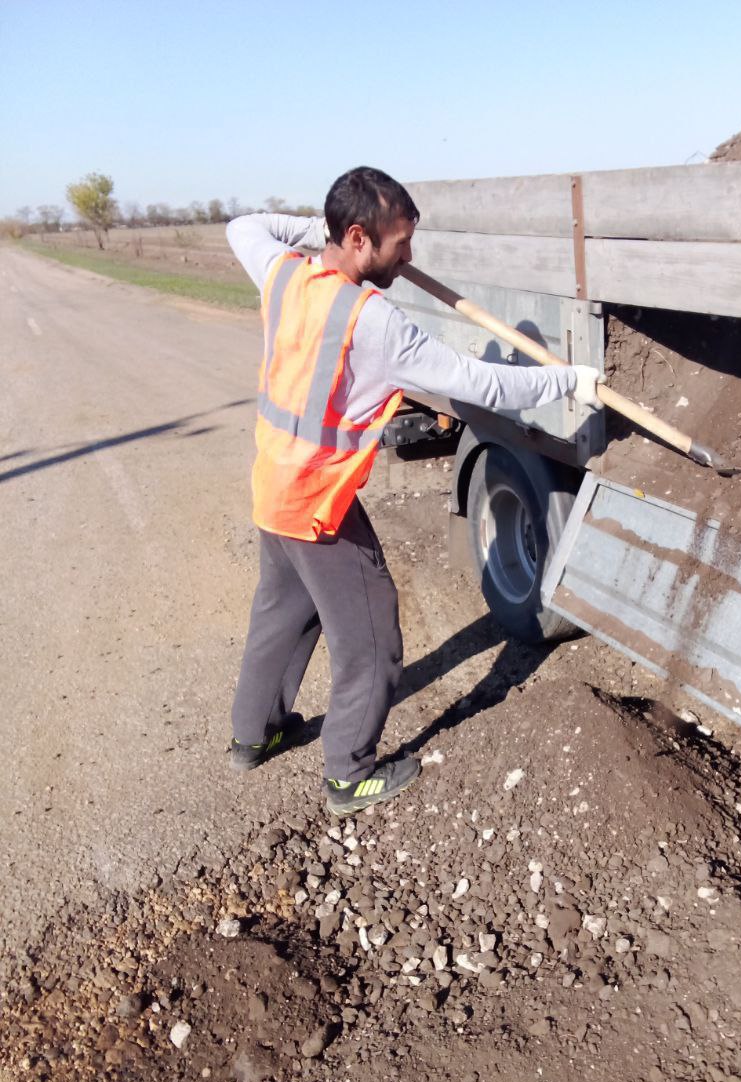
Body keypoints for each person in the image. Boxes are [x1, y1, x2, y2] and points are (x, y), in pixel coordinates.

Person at [226, 166, 603, 816]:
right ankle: (349, 774)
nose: (410, 256)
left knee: (280, 616)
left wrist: (314, 231)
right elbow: (476, 383)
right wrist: (566, 382)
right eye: (400, 244)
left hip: (272, 486)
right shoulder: (372, 323)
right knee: (371, 634)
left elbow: (242, 227)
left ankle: (251, 737)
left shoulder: (283, 272)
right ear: (358, 238)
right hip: (319, 505)